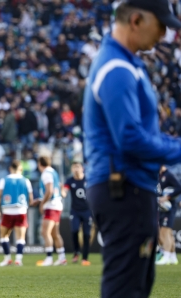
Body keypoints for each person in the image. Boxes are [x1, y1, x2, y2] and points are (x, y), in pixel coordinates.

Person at [83, 1, 181, 296]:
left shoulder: (125, 63)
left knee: (136, 287)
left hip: (128, 188)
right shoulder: (117, 69)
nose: (165, 34)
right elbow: (131, 138)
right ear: (136, 20)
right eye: (161, 25)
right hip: (124, 189)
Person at [0, 160, 37, 267]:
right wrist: (34, 202)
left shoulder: (4, 180)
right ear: (20, 169)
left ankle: (7, 258)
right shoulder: (26, 181)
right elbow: (31, 200)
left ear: (10, 168)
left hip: (7, 210)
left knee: (3, 235)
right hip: (21, 210)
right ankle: (18, 259)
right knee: (20, 237)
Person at [36, 156, 67, 266]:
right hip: (57, 205)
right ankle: (62, 257)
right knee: (55, 233)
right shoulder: (53, 172)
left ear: (40, 164)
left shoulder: (46, 173)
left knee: (45, 232)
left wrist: (42, 204)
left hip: (51, 206)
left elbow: (49, 191)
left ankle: (49, 258)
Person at [61, 161, 92, 266]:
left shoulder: (88, 179)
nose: (76, 169)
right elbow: (65, 191)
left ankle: (85, 257)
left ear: (82, 168)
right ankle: (76, 252)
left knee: (87, 234)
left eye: (78, 167)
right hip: (75, 210)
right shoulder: (70, 180)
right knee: (74, 231)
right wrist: (62, 192)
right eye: (74, 167)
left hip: (87, 210)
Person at [155, 165, 181, 265]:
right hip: (162, 207)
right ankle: (173, 257)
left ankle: (166, 256)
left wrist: (167, 197)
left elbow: (179, 188)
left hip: (169, 207)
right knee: (168, 233)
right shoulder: (159, 176)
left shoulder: (168, 175)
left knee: (164, 231)